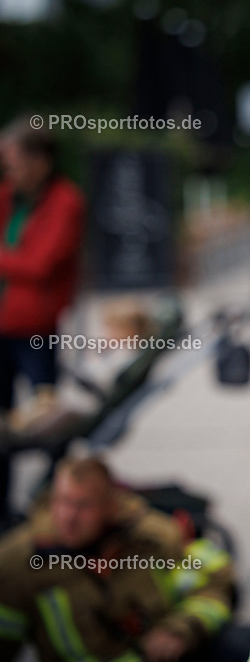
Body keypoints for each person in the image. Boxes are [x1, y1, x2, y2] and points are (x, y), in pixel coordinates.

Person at [0, 456, 240, 662]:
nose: (68, 517)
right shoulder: (20, 560)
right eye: (63, 502)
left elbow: (216, 578)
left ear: (110, 506)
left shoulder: (153, 537)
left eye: (83, 505)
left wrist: (181, 628)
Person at [0, 119, 85, 526]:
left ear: (41, 160)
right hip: (3, 327)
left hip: (34, 328)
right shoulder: (9, 198)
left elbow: (40, 264)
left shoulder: (64, 201)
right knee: (4, 427)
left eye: (14, 160)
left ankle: (51, 504)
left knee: (47, 424)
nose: (9, 169)